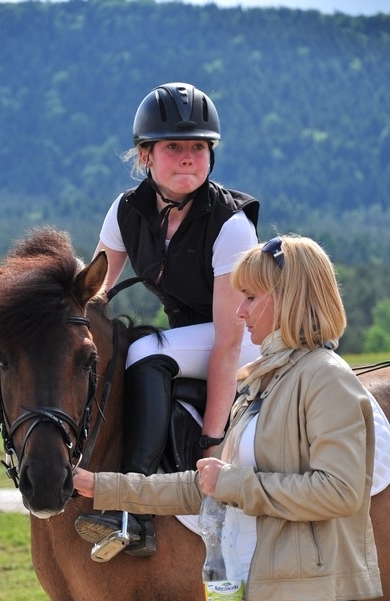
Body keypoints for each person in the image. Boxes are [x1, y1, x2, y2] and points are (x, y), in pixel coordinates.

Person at [74, 234, 382, 601]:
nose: (239, 311)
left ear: (288, 299)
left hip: (304, 599)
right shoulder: (262, 384)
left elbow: (339, 491)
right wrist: (101, 486)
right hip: (253, 596)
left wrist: (234, 483)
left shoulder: (326, 379)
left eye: (251, 298)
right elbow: (208, 487)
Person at [75, 82, 260, 559]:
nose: (188, 158)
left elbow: (227, 340)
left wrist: (213, 440)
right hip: (192, 339)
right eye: (173, 147)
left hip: (251, 340)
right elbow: (91, 292)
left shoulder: (230, 224)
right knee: (128, 352)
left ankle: (132, 510)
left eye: (198, 147)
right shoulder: (126, 211)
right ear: (145, 156)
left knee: (145, 350)